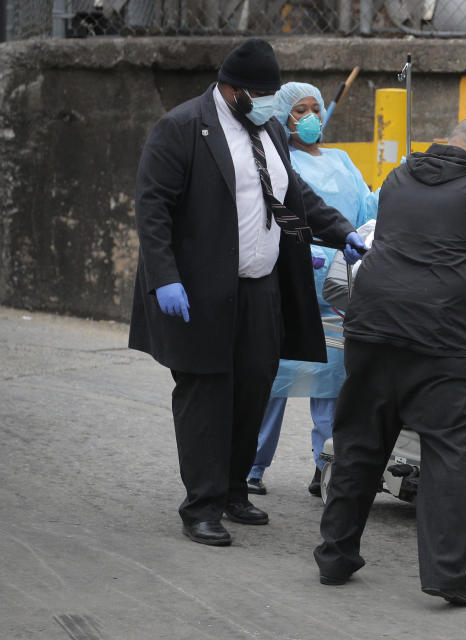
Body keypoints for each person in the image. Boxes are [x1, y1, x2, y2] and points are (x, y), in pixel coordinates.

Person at [129, 39, 367, 547]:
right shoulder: (182, 128)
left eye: (270, 93)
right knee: (206, 396)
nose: (264, 102)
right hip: (199, 289)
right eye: (257, 93)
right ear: (229, 88)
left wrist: (340, 229)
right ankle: (201, 505)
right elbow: (153, 209)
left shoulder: (270, 131)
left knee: (253, 388)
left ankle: (235, 490)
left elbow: (293, 196)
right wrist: (164, 276)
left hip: (261, 288)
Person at [313, 117, 466, 606]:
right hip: (441, 340)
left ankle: (335, 557)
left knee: (360, 441)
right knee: (450, 454)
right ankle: (446, 576)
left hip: (373, 325)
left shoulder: (398, 179)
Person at [245, 82, 378, 497]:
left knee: (331, 384)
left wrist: (393, 187)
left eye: (314, 109)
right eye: (300, 111)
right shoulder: (280, 161)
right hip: (294, 282)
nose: (311, 118)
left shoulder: (342, 160)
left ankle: (327, 467)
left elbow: (364, 209)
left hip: (340, 285)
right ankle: (250, 466)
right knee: (273, 382)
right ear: (283, 119)